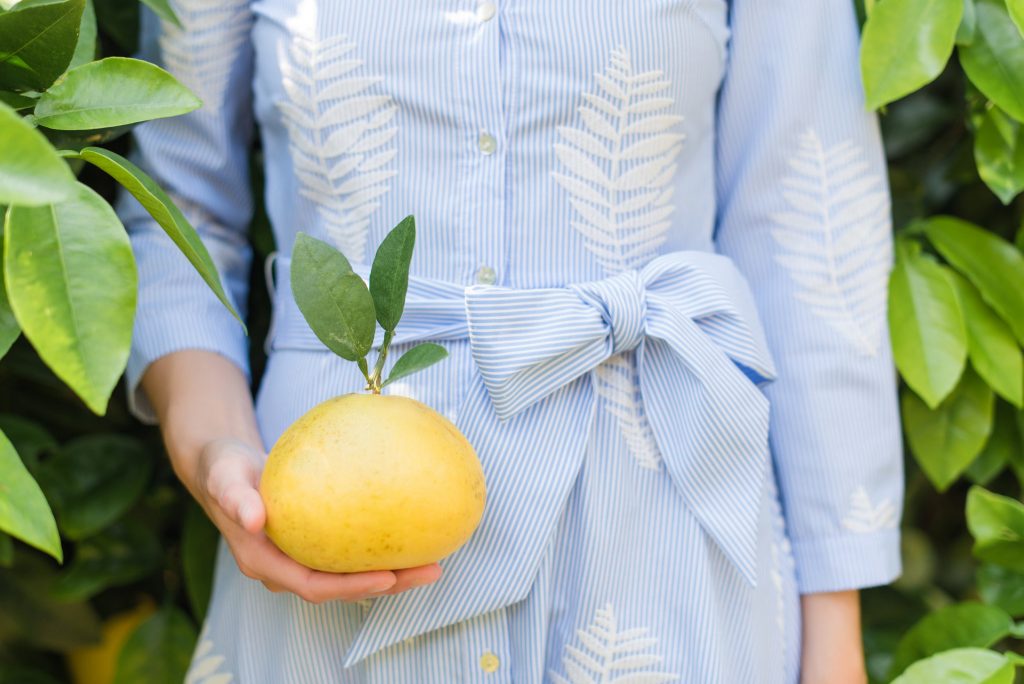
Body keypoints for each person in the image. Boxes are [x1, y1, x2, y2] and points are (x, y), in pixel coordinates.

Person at [116, 0, 904, 682]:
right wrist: (216, 450)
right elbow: (178, 216)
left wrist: (835, 636)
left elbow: (812, 232)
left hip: (662, 541)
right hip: (333, 555)